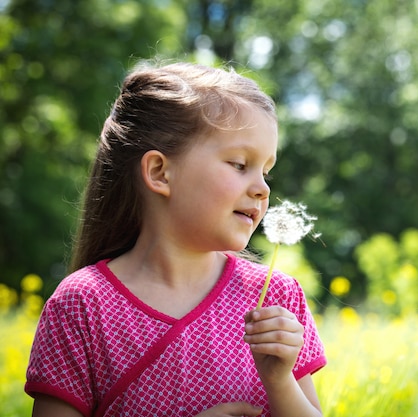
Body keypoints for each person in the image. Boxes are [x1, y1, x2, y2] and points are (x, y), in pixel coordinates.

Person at [24, 62, 326, 417]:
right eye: (240, 164)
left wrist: (279, 379)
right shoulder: (82, 305)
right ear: (159, 172)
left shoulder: (277, 298)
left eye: (266, 171)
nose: (262, 189)